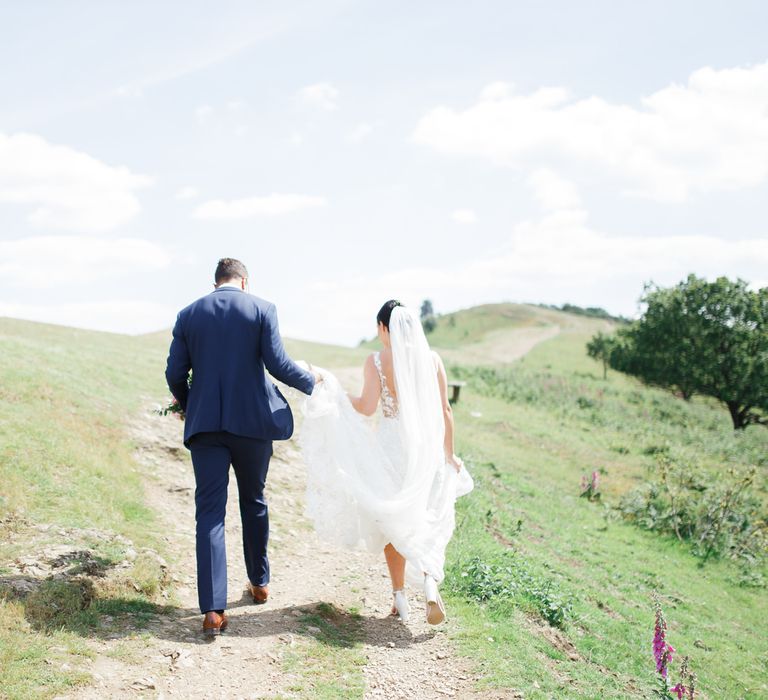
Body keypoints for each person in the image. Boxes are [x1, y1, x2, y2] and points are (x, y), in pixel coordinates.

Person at [165, 257, 320, 636]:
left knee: (210, 513)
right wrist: (315, 383)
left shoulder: (188, 314)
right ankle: (259, 582)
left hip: (206, 430)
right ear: (244, 282)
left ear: (215, 282)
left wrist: (189, 405)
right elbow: (278, 365)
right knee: (254, 500)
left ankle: (213, 610)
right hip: (252, 427)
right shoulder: (262, 309)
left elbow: (173, 372)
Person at [300, 300, 472, 625]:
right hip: (426, 450)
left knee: (393, 519)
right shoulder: (432, 359)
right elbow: (445, 410)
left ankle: (399, 597)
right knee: (426, 515)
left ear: (383, 327)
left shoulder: (378, 360)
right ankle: (430, 583)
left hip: (392, 447)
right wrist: (449, 455)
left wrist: (336, 393)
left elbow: (366, 407)